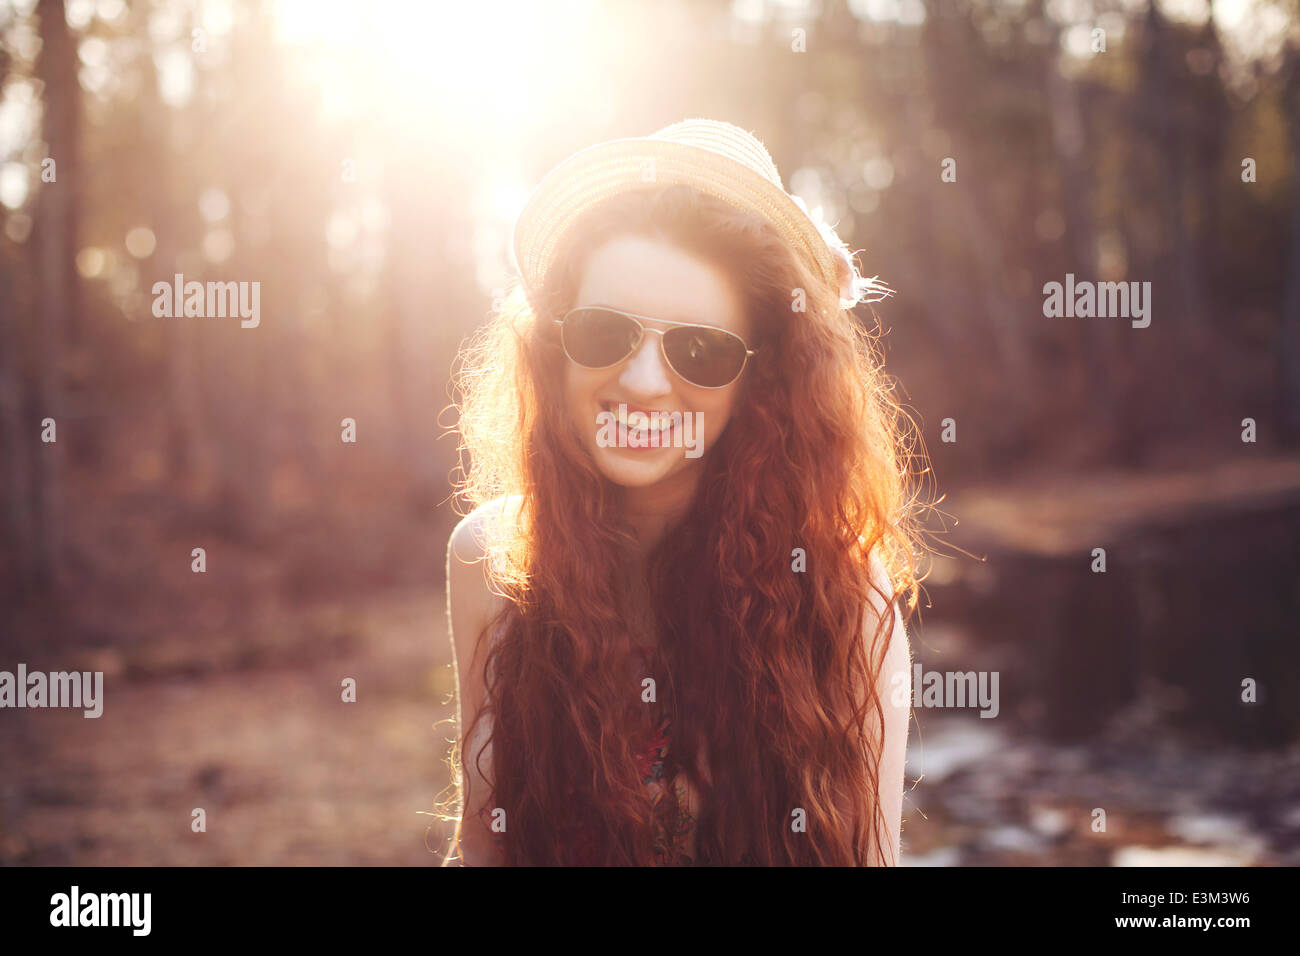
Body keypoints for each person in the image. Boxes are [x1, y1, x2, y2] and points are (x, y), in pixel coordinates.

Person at [441, 119, 925, 865]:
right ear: (553, 350)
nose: (641, 382)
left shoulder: (842, 593)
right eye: (605, 332)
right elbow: (481, 849)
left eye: (701, 350)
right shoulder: (493, 561)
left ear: (759, 382)